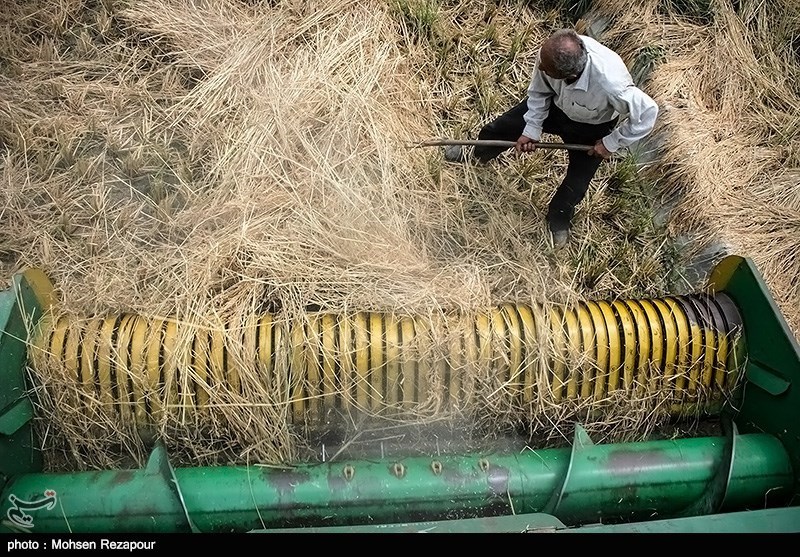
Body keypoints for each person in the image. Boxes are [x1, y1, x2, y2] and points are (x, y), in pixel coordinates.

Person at [448, 29, 659, 248]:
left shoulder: (611, 84)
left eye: (546, 69)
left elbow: (647, 113)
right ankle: (475, 153)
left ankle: (558, 220)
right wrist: (531, 129)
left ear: (567, 75)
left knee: (576, 184)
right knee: (500, 128)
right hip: (555, 109)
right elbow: (539, 93)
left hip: (592, 127)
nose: (540, 67)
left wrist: (610, 143)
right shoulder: (549, 55)